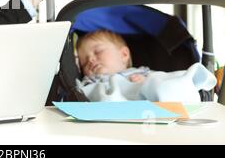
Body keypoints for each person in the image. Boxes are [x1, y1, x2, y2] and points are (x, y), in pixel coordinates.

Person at [75, 30, 216, 102]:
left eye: (98, 52)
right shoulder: (91, 81)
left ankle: (193, 80)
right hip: (116, 109)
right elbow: (86, 93)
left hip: (152, 108)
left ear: (124, 55)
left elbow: (160, 79)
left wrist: (146, 82)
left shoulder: (143, 71)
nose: (91, 60)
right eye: (84, 62)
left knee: (163, 80)